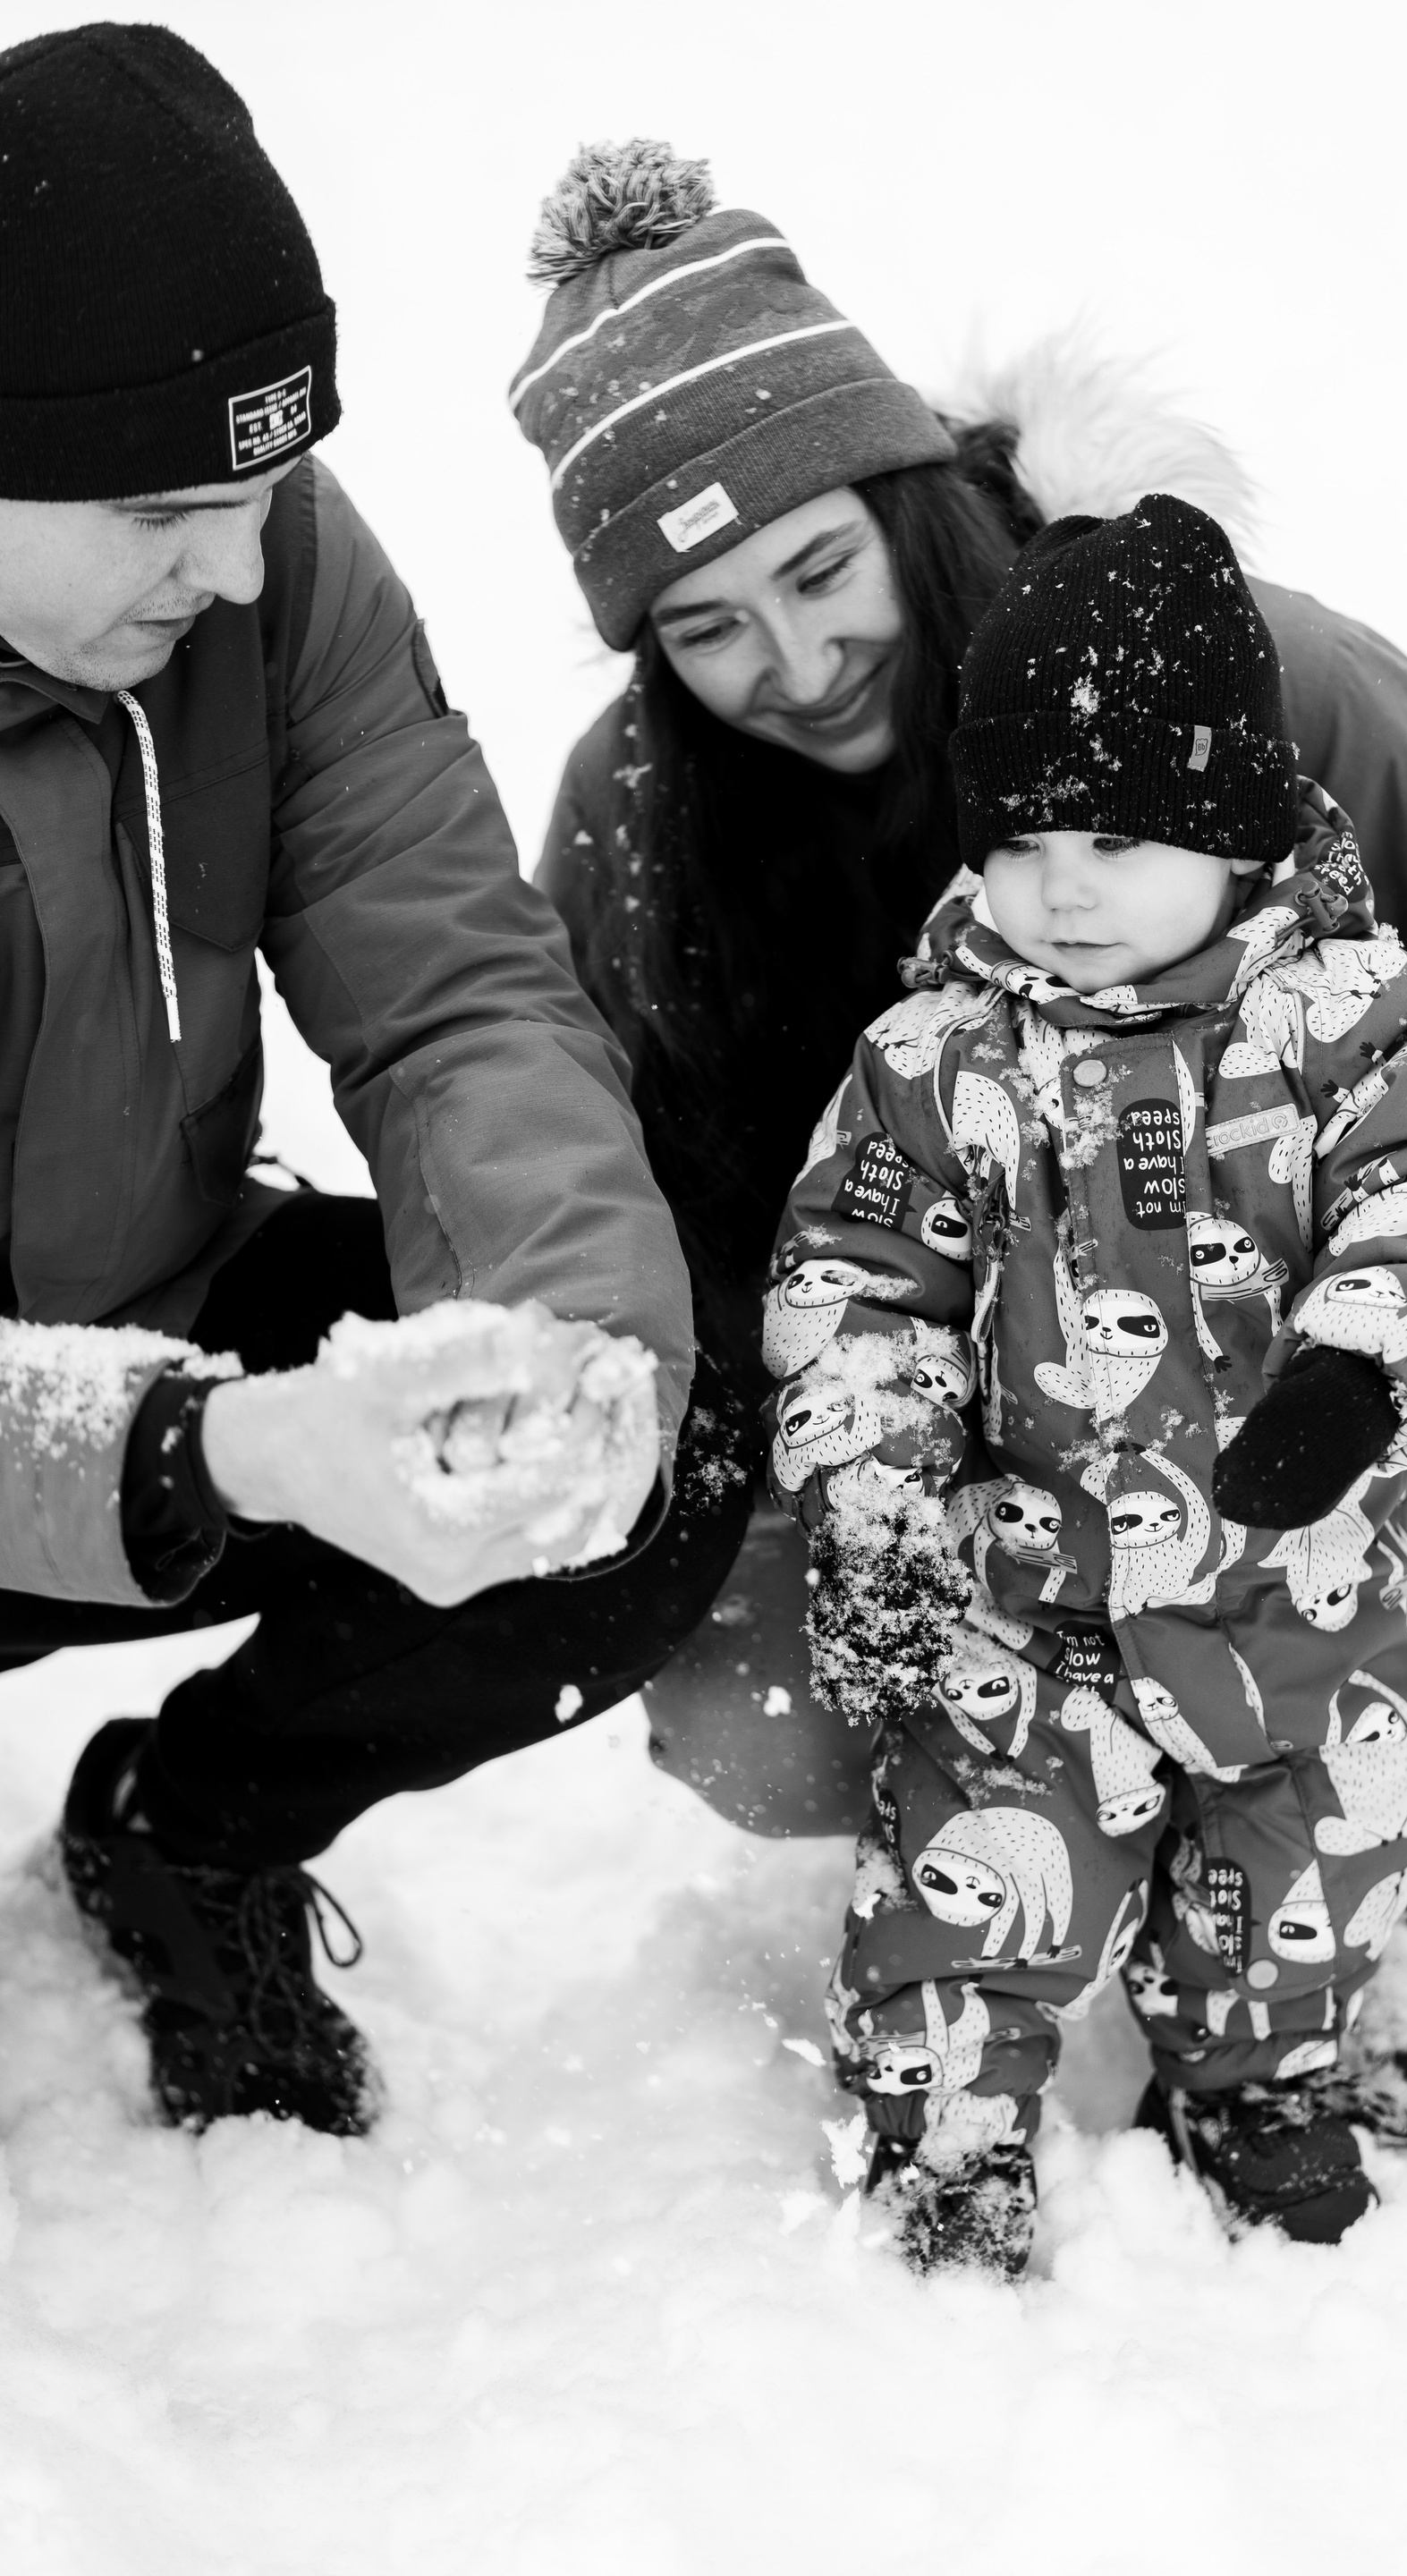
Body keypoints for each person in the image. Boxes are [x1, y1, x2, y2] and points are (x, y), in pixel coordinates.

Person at [513, 144, 1407, 2116]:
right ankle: (1037, 1811)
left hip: (1289, 1352)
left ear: (900, 496)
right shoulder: (641, 810)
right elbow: (609, 1181)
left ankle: (1383, 1786)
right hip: (970, 1402)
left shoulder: (1238, 672)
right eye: (706, 628)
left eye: (820, 571)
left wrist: (1289, 1113)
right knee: (755, 1726)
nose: (794, 665)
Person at [0, 27, 736, 2139]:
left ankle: (187, 1834)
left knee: (650, 1463)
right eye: (165, 510)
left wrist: (566, 1340)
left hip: (148, 1324)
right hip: (91, 1427)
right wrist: (222, 1451)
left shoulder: (269, 571)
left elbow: (450, 991)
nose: (232, 571)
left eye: (257, 498)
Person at [762, 496, 1407, 2268]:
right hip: (1031, 1598)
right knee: (974, 1885)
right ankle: (949, 2141)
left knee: (1309, 1864)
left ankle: (1256, 2081)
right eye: (1021, 840)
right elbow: (854, 1283)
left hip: (1297, 1582)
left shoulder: (1356, 1018)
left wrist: (1358, 1372)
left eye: (1117, 838)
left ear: (1233, 823)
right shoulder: (935, 1058)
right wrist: (881, 1498)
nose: (1064, 888)